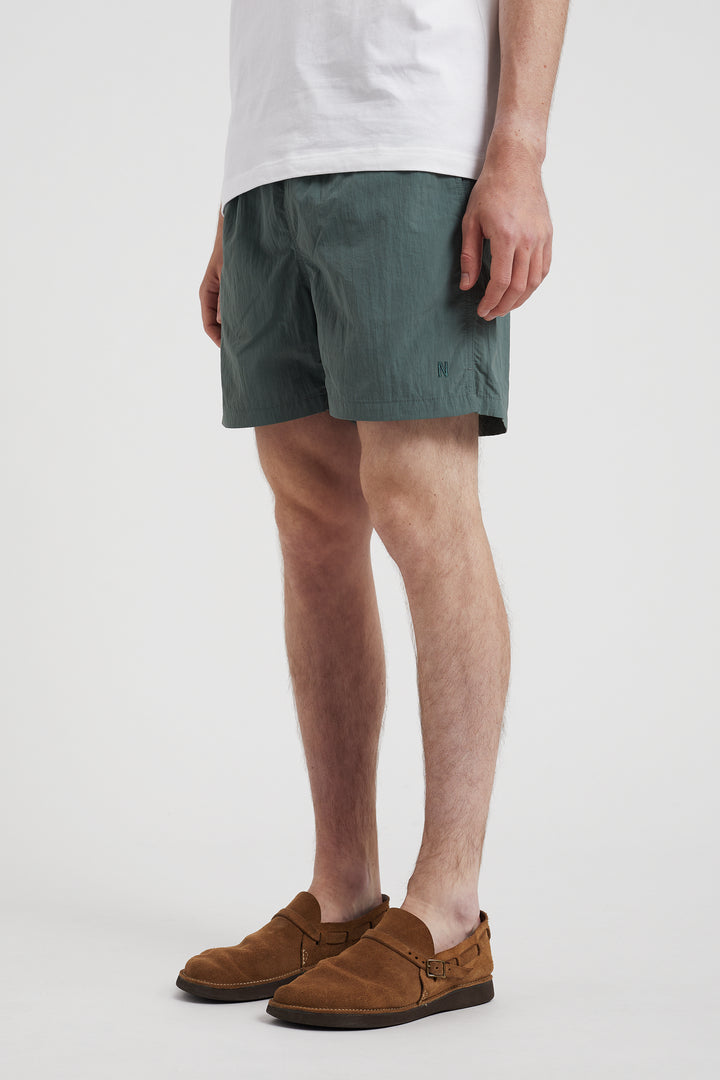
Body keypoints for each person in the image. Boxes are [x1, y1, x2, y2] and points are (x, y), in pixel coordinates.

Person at [176, 0, 569, 1029]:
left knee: (422, 503)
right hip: (271, 158)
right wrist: (238, 198)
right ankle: (343, 896)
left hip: (413, 136)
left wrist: (519, 149)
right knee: (311, 523)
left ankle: (448, 914)